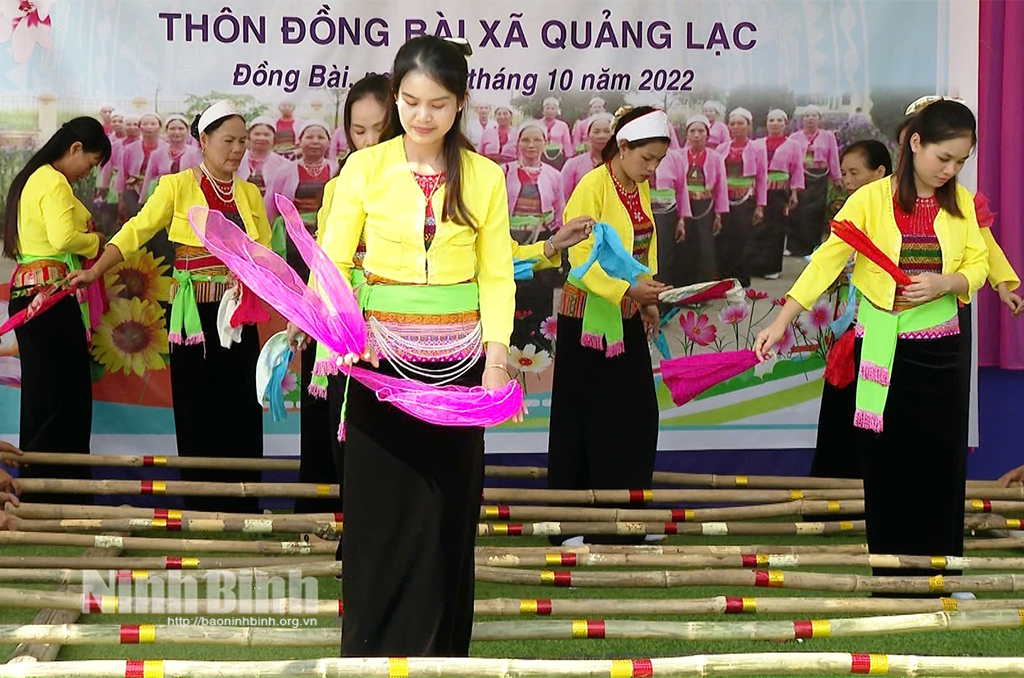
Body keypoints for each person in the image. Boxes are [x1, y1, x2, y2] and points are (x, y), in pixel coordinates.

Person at [319, 36, 517, 657]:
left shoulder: (483, 176)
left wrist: (499, 356)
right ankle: (371, 653)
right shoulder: (365, 169)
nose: (421, 116)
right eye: (409, 101)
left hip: (460, 371)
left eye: (437, 104)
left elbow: (496, 274)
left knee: (444, 513)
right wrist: (340, 334)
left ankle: (440, 655)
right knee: (379, 514)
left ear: (459, 105)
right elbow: (330, 260)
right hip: (378, 363)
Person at [755, 100, 988, 582]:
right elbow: (825, 261)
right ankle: (893, 571)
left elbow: (978, 266)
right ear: (915, 144)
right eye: (944, 158)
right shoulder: (870, 200)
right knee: (888, 465)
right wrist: (782, 320)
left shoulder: (961, 203)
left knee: (942, 462)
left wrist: (946, 283)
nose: (952, 170)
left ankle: (944, 569)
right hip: (883, 347)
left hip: (942, 351)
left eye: (961, 162)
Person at [69, 100, 273, 514]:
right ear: (204, 140)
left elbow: (265, 251)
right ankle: (200, 508)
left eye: (243, 142)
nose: (237, 149)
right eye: (229, 140)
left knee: (241, 408)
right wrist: (95, 271)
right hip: (192, 317)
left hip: (236, 316)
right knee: (198, 406)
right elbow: (135, 232)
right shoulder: (177, 186)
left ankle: (244, 507)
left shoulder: (250, 193)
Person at [547, 106, 671, 545]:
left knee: (636, 417)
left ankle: (629, 522)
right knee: (586, 420)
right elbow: (580, 256)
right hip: (589, 322)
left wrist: (648, 295)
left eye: (658, 161)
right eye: (647, 159)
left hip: (629, 315)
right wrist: (626, 292)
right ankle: (574, 525)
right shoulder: (592, 186)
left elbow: (643, 246)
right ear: (622, 147)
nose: (652, 169)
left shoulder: (639, 187)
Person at [287, 74, 394, 516]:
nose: (368, 141)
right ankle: (357, 538)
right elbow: (327, 260)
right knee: (347, 429)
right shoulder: (340, 183)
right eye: (358, 130)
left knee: (395, 440)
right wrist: (307, 313)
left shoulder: (422, 179)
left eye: (379, 130)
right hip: (347, 329)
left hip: (405, 329)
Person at [3, 117, 111, 504]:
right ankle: (61, 493)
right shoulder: (52, 180)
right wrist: (96, 239)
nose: (89, 171)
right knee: (64, 398)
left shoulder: (34, 178)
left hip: (36, 293)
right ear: (76, 148)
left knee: (46, 396)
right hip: (47, 295)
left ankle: (40, 492)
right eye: (92, 161)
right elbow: (64, 238)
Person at [805, 140, 892, 522]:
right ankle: (830, 502)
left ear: (881, 173)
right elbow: (826, 261)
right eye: (844, 173)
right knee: (839, 418)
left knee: (874, 421)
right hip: (850, 333)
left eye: (855, 172)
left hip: (887, 334)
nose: (848, 180)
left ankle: (874, 503)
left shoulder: (897, 216)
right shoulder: (848, 213)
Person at [504, 120, 565, 352]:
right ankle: (511, 344)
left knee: (541, 293)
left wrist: (558, 238)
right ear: (518, 143)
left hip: (544, 242)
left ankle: (540, 345)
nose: (531, 145)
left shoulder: (554, 175)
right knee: (512, 291)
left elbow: (559, 208)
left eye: (536, 140)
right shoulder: (505, 171)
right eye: (526, 140)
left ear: (545, 143)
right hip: (511, 240)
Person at [264, 119, 338, 255]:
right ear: (299, 141)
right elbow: (270, 206)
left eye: (321, 137)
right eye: (309, 137)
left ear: (328, 141)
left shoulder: (337, 170)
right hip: (292, 237)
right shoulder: (284, 172)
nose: (315, 141)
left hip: (328, 235)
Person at [671, 114, 728, 287]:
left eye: (701, 131)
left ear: (707, 135)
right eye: (692, 131)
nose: (696, 135)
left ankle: (703, 287)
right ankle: (683, 286)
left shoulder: (716, 157)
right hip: (682, 205)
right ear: (686, 134)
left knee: (704, 245)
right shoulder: (677, 156)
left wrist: (718, 214)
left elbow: (721, 187)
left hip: (705, 206)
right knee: (683, 244)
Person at [748, 109, 804, 280]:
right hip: (758, 190)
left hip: (779, 190)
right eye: (771, 120)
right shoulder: (756, 144)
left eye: (779, 120)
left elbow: (797, 170)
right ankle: (754, 265)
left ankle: (772, 267)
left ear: (785, 124)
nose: (775, 123)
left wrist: (794, 192)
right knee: (757, 227)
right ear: (766, 123)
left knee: (776, 228)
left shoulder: (793, 145)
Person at [715, 108, 766, 288]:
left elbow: (761, 177)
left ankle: (741, 279)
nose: (736, 127)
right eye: (733, 123)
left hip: (745, 199)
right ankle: (724, 277)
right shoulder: (721, 148)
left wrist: (760, 205)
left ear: (749, 125)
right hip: (723, 199)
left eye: (740, 123)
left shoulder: (758, 148)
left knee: (742, 238)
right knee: (723, 238)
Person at [786, 104, 841, 256]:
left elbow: (833, 157)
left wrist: (837, 178)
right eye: (807, 116)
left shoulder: (828, 136)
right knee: (797, 211)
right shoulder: (794, 138)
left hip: (819, 178)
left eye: (814, 116)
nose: (810, 119)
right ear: (802, 119)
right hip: (800, 176)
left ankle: (813, 246)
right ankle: (794, 247)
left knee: (815, 212)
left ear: (819, 119)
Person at [140, 114, 202, 202]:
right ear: (166, 131)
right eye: (172, 129)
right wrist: (143, 201)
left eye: (181, 129)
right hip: (162, 198)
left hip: (187, 199)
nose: (176, 132)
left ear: (187, 131)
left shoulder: (196, 153)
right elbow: (148, 178)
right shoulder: (157, 154)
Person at [562, 112, 614, 200]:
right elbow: (563, 198)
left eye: (607, 131)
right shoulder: (573, 165)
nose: (601, 136)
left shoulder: (623, 164)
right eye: (596, 131)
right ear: (588, 136)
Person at [236, 116, 289, 198]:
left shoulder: (284, 165)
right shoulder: (236, 159)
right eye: (257, 134)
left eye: (266, 135)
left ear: (274, 138)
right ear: (249, 136)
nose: (261, 138)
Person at [539, 96, 575, 169]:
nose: (550, 111)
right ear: (543, 111)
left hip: (558, 157)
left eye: (553, 108)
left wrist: (569, 158)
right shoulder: (537, 124)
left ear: (557, 111)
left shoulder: (563, 125)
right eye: (547, 108)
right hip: (541, 156)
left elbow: (567, 143)